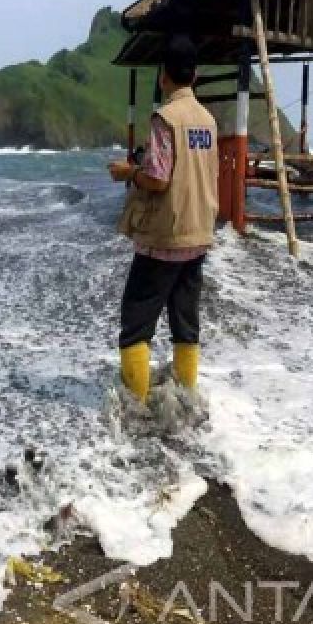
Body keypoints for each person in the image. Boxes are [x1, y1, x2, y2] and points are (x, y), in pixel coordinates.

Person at [107, 35, 219, 403]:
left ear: (163, 77)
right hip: (199, 234)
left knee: (135, 325)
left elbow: (157, 178)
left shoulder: (165, 119)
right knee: (186, 325)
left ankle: (135, 409)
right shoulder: (207, 120)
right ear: (196, 75)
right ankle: (186, 397)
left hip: (165, 239)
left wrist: (128, 173)